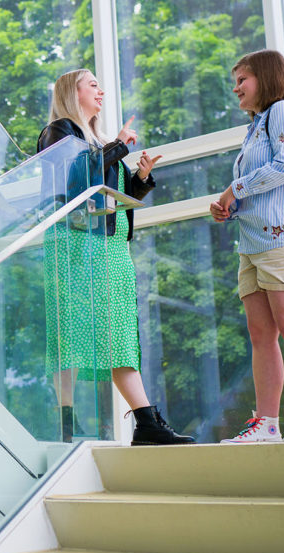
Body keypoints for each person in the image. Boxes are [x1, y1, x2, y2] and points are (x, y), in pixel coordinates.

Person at [38, 68, 194, 446]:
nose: (101, 91)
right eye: (92, 84)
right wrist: (120, 145)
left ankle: (145, 421)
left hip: (110, 248)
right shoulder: (59, 132)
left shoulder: (98, 139)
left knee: (118, 334)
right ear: (72, 93)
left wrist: (139, 177)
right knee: (70, 335)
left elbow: (113, 194)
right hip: (75, 247)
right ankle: (68, 425)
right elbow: (76, 180)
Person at [210, 50, 284, 443]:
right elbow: (263, 182)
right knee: (261, 335)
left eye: (242, 79)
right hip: (254, 241)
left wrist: (234, 189)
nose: (236, 87)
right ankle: (267, 423)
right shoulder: (256, 126)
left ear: (265, 77)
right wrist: (231, 204)